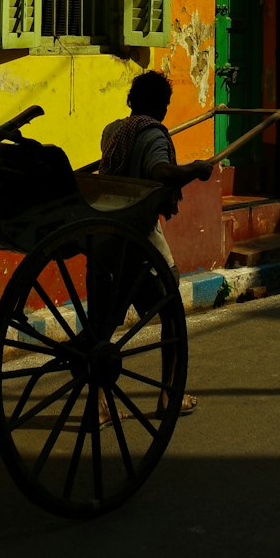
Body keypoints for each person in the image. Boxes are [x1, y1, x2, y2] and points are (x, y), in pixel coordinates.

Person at [98, 69, 212, 421]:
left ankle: (98, 405)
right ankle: (168, 397)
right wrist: (195, 169)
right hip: (138, 235)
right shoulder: (153, 136)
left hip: (105, 232)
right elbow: (160, 172)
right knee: (172, 310)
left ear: (132, 101)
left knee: (103, 323)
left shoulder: (114, 131)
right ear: (162, 106)